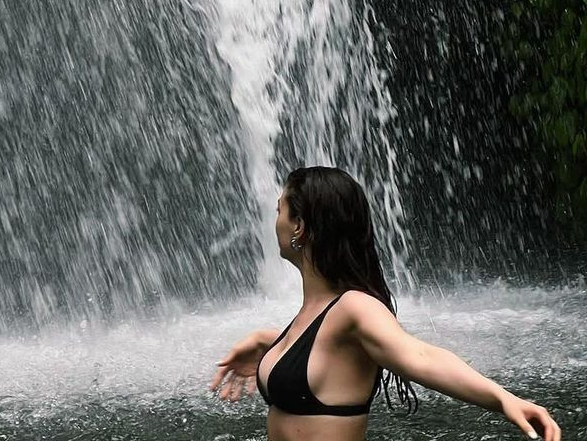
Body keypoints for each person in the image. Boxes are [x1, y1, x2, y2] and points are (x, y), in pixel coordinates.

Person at [209, 166, 561, 441]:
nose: (275, 222)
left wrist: (502, 399)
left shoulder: (354, 308)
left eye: (280, 211)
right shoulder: (318, 312)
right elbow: (322, 354)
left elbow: (420, 356)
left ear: (299, 225)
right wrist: (266, 343)